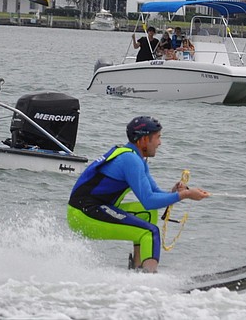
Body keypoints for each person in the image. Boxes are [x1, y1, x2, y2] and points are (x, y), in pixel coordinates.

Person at [67, 116, 209, 272]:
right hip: (83, 215)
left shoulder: (137, 158)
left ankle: (137, 269)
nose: (159, 143)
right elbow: (149, 200)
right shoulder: (130, 160)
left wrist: (175, 192)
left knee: (147, 214)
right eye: (157, 138)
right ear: (143, 140)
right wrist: (185, 196)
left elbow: (154, 194)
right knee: (149, 231)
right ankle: (149, 280)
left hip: (93, 208)